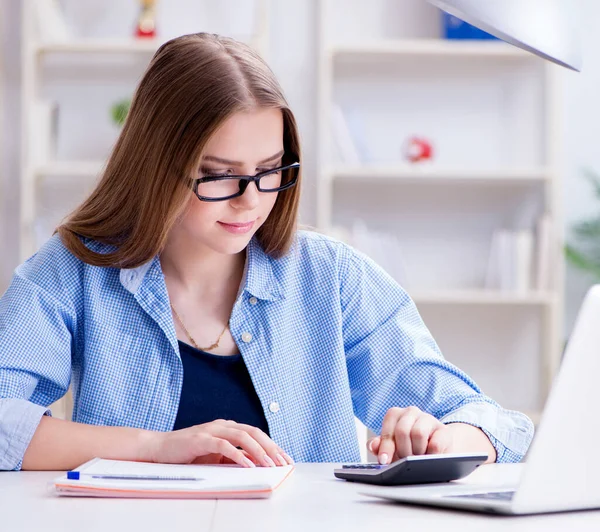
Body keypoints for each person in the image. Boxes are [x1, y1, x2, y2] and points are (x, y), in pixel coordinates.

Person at [0, 33, 533, 472]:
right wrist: (153, 448)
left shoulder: (331, 277)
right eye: (218, 175)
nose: (250, 201)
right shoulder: (73, 270)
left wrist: (442, 438)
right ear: (156, 166)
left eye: (270, 170)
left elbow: (494, 424)